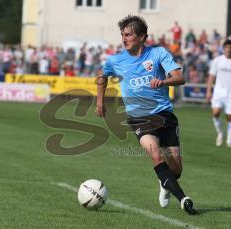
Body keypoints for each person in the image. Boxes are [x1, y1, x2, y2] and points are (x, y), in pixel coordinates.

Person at [95, 15, 197, 215]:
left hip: (164, 114)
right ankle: (184, 199)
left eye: (129, 35)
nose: (124, 39)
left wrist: (164, 82)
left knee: (176, 168)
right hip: (138, 117)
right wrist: (100, 102)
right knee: (155, 154)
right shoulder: (115, 60)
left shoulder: (158, 53)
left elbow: (180, 77)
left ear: (142, 36)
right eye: (122, 35)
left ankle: (165, 182)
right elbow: (102, 77)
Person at [206, 39, 231, 147]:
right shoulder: (217, 60)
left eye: (230, 48)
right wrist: (208, 91)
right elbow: (211, 76)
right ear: (224, 48)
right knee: (215, 113)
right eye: (227, 48)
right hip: (218, 92)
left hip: (230, 93)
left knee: (229, 116)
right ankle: (220, 133)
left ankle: (229, 137)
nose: (229, 50)